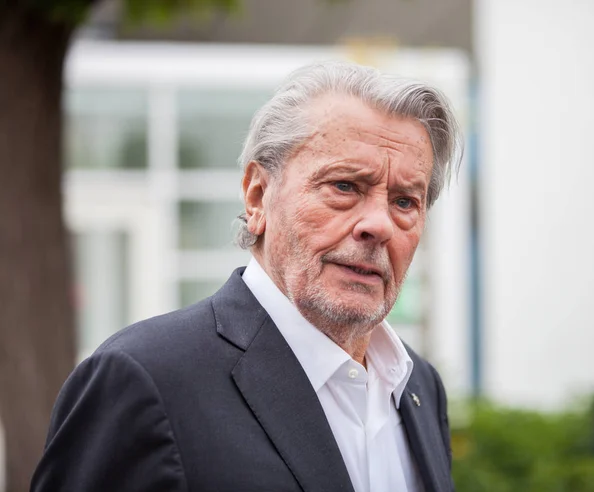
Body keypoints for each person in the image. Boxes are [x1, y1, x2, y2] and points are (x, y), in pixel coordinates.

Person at [31, 61, 461, 492]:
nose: (379, 225)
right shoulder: (145, 381)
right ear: (258, 196)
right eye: (345, 186)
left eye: (405, 202)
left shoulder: (418, 386)